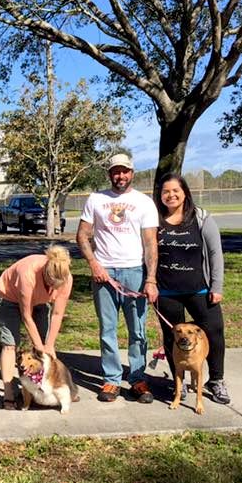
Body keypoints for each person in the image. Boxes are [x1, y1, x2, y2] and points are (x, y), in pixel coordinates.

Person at [76, 153, 159, 404]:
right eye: (115, 171)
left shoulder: (144, 202)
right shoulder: (96, 199)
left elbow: (150, 243)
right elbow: (82, 235)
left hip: (134, 272)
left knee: (138, 330)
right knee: (108, 330)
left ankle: (137, 379)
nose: (120, 176)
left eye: (124, 171)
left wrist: (151, 279)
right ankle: (111, 379)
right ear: (109, 174)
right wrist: (94, 265)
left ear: (132, 173)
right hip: (105, 274)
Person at [155, 173, 230, 404]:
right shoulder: (154, 220)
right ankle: (179, 383)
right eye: (166, 191)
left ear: (185, 193)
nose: (171, 195)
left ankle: (216, 380)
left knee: (214, 332)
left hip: (200, 290)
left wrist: (216, 286)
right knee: (173, 337)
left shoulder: (201, 218)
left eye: (175, 190)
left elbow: (215, 253)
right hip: (166, 292)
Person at [0, 245, 74, 409]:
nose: (54, 289)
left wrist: (49, 345)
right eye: (51, 284)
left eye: (57, 286)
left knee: (44, 345)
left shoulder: (66, 279)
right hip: (10, 296)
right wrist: (38, 345)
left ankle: (43, 388)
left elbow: (57, 314)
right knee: (10, 344)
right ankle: (8, 393)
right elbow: (26, 315)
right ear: (46, 273)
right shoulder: (28, 274)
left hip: (40, 301)